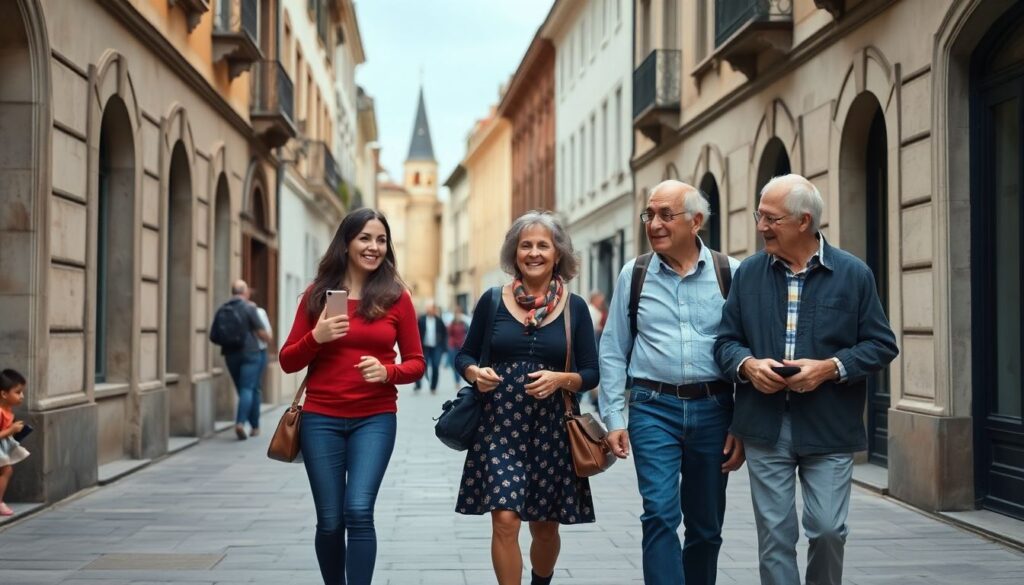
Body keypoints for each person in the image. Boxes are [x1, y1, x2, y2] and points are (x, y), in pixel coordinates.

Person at [714, 174, 898, 585]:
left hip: (830, 425)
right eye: (760, 215)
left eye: (771, 218)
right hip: (764, 425)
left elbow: (881, 345)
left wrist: (828, 368)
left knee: (829, 529)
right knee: (776, 538)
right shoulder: (749, 274)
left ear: (804, 221)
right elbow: (725, 342)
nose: (761, 226)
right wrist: (748, 366)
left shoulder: (854, 274)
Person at [599, 180, 745, 585]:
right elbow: (613, 349)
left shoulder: (729, 272)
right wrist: (614, 418)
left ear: (695, 221)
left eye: (667, 215)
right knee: (660, 514)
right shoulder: (636, 273)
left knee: (706, 525)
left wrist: (742, 426)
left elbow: (747, 351)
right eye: (650, 214)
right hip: (652, 407)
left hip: (715, 409)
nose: (655, 224)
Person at [279, 208, 425, 585]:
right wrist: (317, 337)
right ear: (346, 243)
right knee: (330, 520)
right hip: (321, 419)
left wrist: (387, 372)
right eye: (365, 238)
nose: (374, 247)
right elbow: (287, 359)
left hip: (374, 418)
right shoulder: (318, 297)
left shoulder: (396, 298)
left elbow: (417, 363)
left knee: (359, 510)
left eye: (380, 239)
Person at [455, 211, 599, 585]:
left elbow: (591, 373)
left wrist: (561, 379)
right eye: (526, 245)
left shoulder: (575, 307)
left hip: (551, 429)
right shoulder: (492, 301)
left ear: (557, 254)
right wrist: (476, 373)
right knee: (504, 519)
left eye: (542, 245)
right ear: (514, 253)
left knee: (545, 527)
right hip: (499, 426)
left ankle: (540, 581)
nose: (533, 253)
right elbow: (465, 356)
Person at [217, 280, 271, 440]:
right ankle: (242, 423)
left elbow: (214, 335)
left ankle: (254, 425)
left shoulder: (223, 309)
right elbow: (264, 334)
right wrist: (262, 336)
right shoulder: (249, 308)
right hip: (250, 353)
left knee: (243, 389)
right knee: (250, 388)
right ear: (245, 292)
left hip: (230, 353)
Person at [0, 368, 30, 517]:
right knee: (6, 470)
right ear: (4, 394)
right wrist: (11, 430)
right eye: (18, 392)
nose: (22, 396)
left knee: (6, 470)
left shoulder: (7, 410)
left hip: (3, 446)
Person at [250, 295, 274, 437]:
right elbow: (267, 335)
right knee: (253, 388)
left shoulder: (228, 308)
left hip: (233, 355)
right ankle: (249, 424)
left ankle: (242, 421)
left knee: (244, 389)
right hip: (257, 352)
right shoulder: (258, 312)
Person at [415, 302, 447, 393]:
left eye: (431, 309)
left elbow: (444, 334)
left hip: (436, 347)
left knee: (435, 366)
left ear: (434, 310)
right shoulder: (421, 320)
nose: (430, 310)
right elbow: (416, 333)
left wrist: (444, 347)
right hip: (424, 347)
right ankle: (418, 384)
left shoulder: (439, 320)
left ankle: (433, 387)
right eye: (428, 309)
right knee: (420, 366)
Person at [585, 290, 606, 408]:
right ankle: (595, 398)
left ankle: (594, 398)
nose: (601, 303)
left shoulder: (594, 310)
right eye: (600, 300)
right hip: (593, 340)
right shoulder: (592, 310)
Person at [446, 305, 470, 385]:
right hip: (453, 346)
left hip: (461, 345)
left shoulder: (464, 323)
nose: (458, 315)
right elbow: (449, 334)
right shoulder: (451, 323)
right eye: (456, 313)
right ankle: (456, 380)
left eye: (459, 313)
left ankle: (458, 379)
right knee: (454, 364)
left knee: (460, 363)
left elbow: (468, 334)